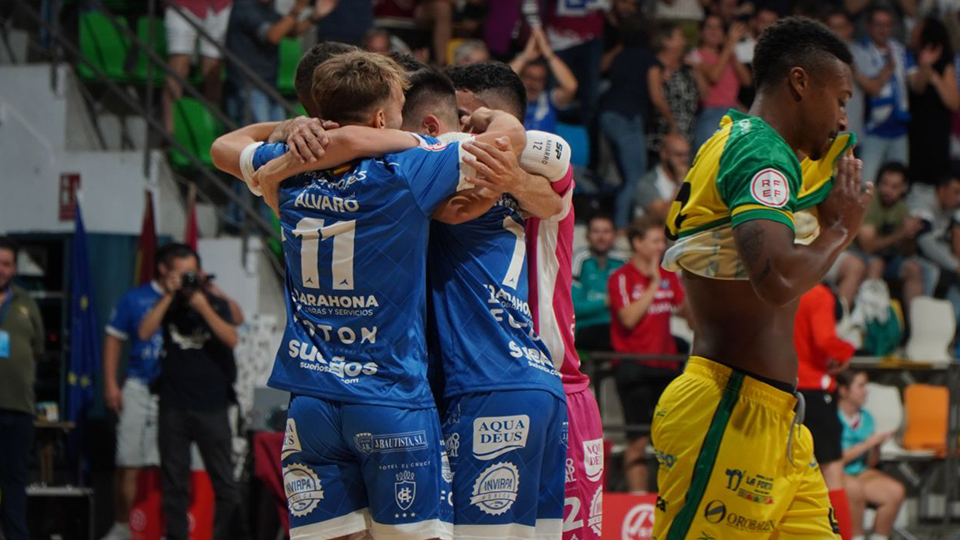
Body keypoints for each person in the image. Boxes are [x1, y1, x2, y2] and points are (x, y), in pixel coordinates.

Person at [213, 51, 530, 540]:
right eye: (400, 104)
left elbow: (224, 146)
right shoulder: (406, 168)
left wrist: (292, 127)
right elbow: (508, 139)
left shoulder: (290, 163)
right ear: (383, 118)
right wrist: (484, 117)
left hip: (311, 405)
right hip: (389, 398)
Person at [653, 17, 871, 538]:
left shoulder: (757, 148)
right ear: (800, 82)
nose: (844, 118)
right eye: (840, 100)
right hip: (728, 411)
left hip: (776, 418)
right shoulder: (759, 151)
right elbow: (774, 277)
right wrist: (839, 229)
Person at [449, 61, 607, 540]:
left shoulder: (543, 163)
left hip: (559, 385)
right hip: (483, 386)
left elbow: (553, 190)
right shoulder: (450, 169)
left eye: (464, 114)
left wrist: (512, 180)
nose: (459, 127)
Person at [137, 244, 242, 540]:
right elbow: (144, 333)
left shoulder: (212, 301)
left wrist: (203, 305)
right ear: (168, 274)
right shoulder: (168, 303)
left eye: (191, 273)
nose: (188, 279)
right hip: (174, 405)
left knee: (225, 482)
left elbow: (232, 337)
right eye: (182, 274)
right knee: (174, 483)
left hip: (213, 405)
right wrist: (169, 295)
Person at [608, 216, 687, 494]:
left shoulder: (669, 276)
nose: (660, 246)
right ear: (637, 243)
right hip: (633, 368)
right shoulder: (621, 278)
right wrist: (653, 284)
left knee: (672, 439)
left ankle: (673, 498)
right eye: (654, 240)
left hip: (666, 367)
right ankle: (637, 500)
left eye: (662, 241)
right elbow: (628, 318)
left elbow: (687, 314)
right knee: (638, 440)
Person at [99, 274, 166, 540]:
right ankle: (121, 525)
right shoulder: (135, 298)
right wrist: (110, 384)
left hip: (173, 393)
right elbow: (115, 338)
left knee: (168, 464)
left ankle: (161, 526)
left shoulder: (191, 299)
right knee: (129, 460)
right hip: (138, 386)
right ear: (164, 268)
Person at [794, 283, 857, 540]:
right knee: (832, 472)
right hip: (814, 394)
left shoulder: (777, 287)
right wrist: (847, 352)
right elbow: (825, 341)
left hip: (783, 390)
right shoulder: (817, 293)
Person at [0, 237, 44, 540]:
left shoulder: (26, 302)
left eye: (6, 264)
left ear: (14, 267)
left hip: (17, 408)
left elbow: (37, 348)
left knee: (14, 481)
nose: (0, 269)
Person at [224, 0, 328, 124]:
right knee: (259, 138)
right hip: (248, 85)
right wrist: (296, 9)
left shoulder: (267, 8)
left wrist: (314, 17)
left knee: (279, 135)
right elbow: (273, 36)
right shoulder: (245, 6)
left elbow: (291, 31)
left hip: (269, 85)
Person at [599, 15, 658, 229]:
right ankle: (622, 229)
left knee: (623, 178)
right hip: (628, 119)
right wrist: (673, 122)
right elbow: (656, 96)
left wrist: (619, 46)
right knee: (635, 179)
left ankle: (620, 222)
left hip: (607, 117)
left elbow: (600, 66)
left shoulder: (619, 56)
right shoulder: (649, 60)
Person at [836, 369, 906, 540]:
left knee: (895, 491)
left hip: (860, 472)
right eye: (860, 386)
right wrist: (867, 444)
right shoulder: (831, 417)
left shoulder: (867, 418)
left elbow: (871, 464)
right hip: (836, 473)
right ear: (844, 390)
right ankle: (856, 537)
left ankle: (879, 537)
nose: (866, 390)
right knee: (853, 489)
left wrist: (876, 447)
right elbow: (835, 459)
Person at [854, 6, 917, 189]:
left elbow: (915, 85)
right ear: (868, 26)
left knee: (899, 184)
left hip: (899, 129)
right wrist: (888, 68)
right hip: (874, 130)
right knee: (865, 185)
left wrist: (927, 68)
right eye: (878, 24)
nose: (883, 29)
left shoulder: (901, 51)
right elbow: (871, 88)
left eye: (888, 25)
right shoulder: (860, 51)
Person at [856, 162, 925, 312]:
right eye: (885, 184)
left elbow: (908, 252)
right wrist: (900, 234)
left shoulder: (901, 207)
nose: (888, 190)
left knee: (914, 268)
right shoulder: (869, 200)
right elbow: (867, 246)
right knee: (876, 264)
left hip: (887, 258)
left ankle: (915, 327)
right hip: (857, 253)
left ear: (903, 188)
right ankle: (870, 323)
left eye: (894, 187)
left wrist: (910, 235)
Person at [162, 0, 234, 133]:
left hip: (219, 6)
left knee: (213, 69)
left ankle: (210, 128)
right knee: (178, 66)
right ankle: (170, 131)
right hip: (183, 5)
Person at [908, 17, 960, 186]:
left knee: (938, 175)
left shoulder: (946, 64)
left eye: (918, 29)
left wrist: (936, 78)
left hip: (938, 129)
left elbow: (954, 103)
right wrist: (925, 66)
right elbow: (917, 87)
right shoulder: (909, 57)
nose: (913, 33)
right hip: (916, 127)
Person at [691, 14, 752, 151]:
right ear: (701, 32)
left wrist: (730, 52)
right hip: (711, 113)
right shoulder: (696, 54)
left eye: (718, 28)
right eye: (709, 27)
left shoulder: (728, 55)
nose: (714, 32)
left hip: (733, 112)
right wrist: (729, 46)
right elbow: (714, 76)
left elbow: (746, 80)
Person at [573, 213, 625, 352]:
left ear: (614, 235)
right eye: (596, 231)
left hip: (617, 327)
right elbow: (573, 309)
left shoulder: (622, 262)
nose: (601, 237)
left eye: (606, 231)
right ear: (587, 236)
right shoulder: (578, 260)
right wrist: (606, 303)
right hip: (587, 327)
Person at [509, 28, 578, 133]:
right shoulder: (509, 100)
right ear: (520, 77)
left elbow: (571, 87)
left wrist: (548, 54)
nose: (533, 84)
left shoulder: (550, 99)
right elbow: (500, 81)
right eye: (529, 77)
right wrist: (525, 56)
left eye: (539, 79)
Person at [647, 22, 701, 155]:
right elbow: (654, 98)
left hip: (686, 138)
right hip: (658, 138)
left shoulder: (686, 68)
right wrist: (672, 124)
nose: (685, 41)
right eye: (680, 36)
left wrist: (698, 70)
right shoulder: (653, 66)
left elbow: (704, 95)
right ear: (666, 41)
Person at [911, 173, 960, 319]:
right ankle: (921, 322)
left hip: (937, 257)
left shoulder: (952, 207)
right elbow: (925, 243)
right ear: (941, 189)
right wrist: (955, 265)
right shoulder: (923, 201)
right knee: (931, 271)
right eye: (955, 192)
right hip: (910, 253)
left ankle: (952, 326)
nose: (958, 198)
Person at [823, 9, 866, 141]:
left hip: (852, 129)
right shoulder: (818, 55)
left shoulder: (860, 53)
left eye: (840, 27)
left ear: (850, 28)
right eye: (832, 27)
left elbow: (874, 88)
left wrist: (852, 68)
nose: (835, 32)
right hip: (825, 133)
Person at [632, 133, 691, 221]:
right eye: (679, 155)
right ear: (664, 154)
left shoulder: (693, 178)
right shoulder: (647, 184)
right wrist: (681, 182)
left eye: (687, 155)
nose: (684, 160)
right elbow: (667, 216)